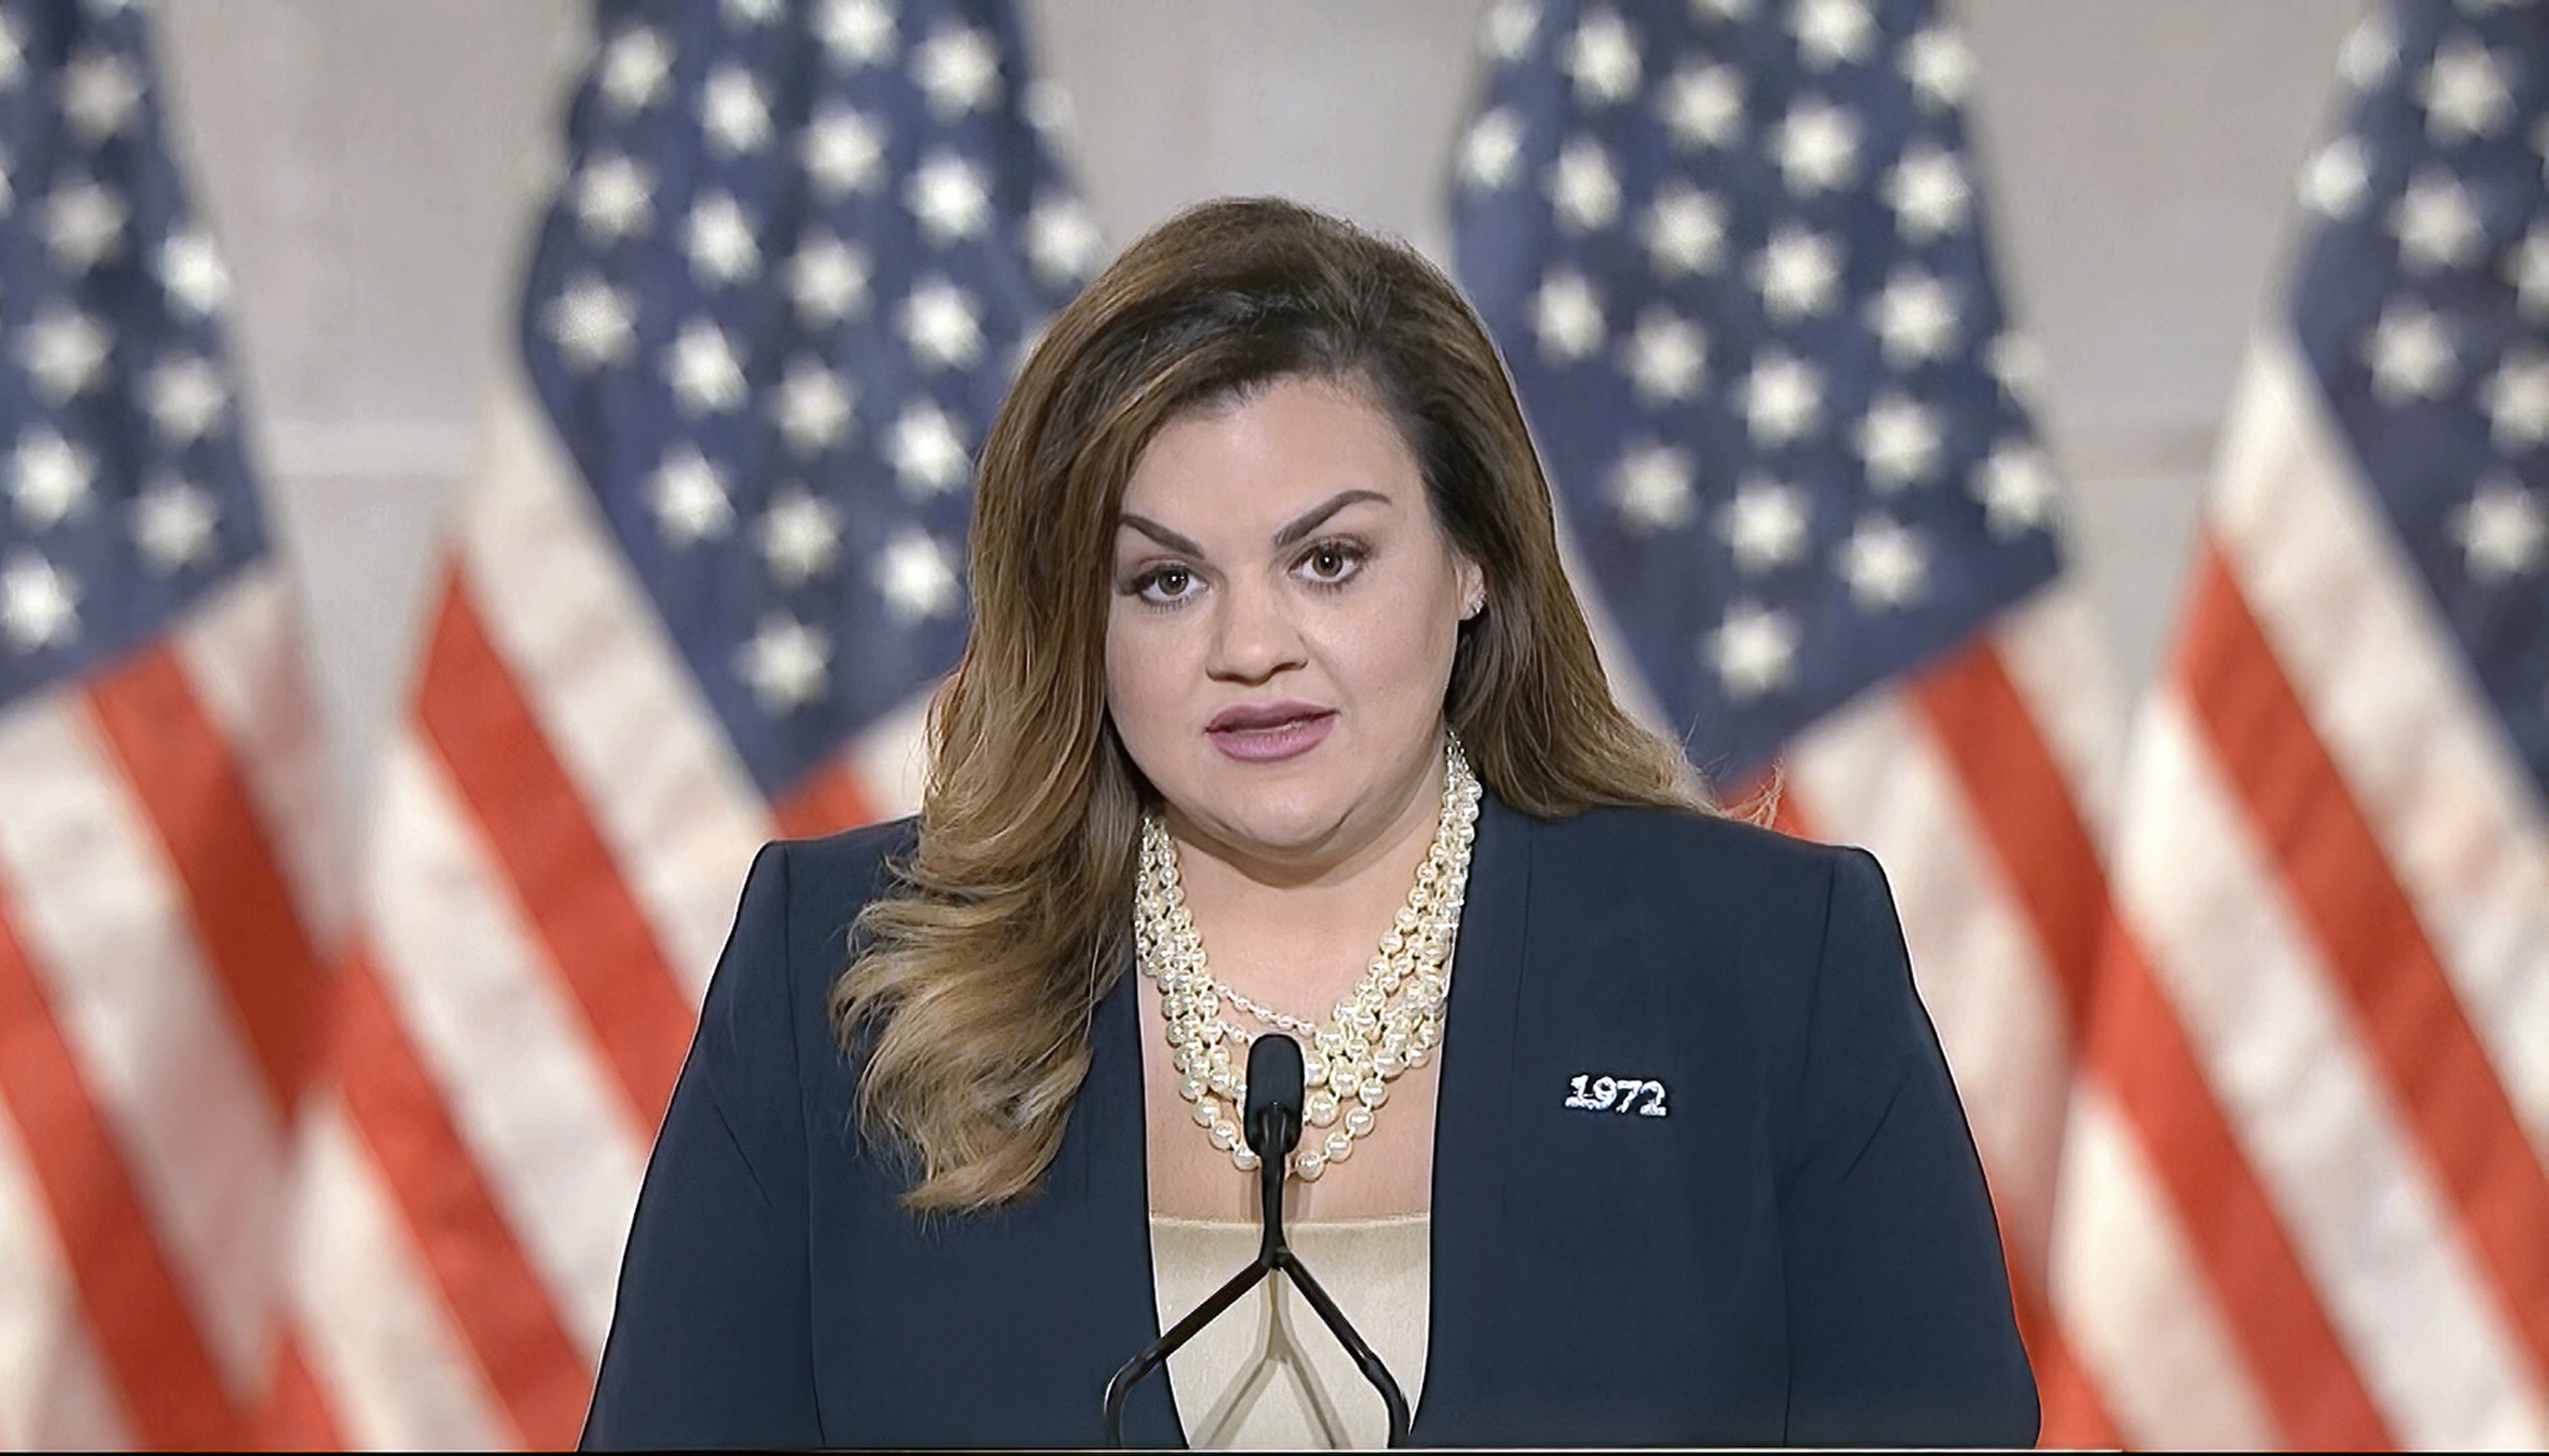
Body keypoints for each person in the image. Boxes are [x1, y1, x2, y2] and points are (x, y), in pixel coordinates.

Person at [580, 196, 2040, 1450]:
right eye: (1165, 581)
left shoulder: (1766, 967)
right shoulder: (843, 973)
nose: (1251, 645)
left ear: (1472, 558)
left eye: (1329, 559)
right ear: (1078, 619)